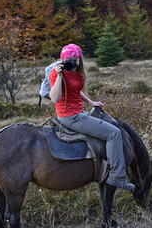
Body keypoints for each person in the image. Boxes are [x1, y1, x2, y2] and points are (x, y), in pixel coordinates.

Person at [48, 43, 136, 190]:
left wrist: (90, 101)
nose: (73, 63)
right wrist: (59, 76)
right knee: (114, 133)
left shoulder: (77, 71)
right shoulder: (56, 73)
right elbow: (55, 98)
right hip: (70, 117)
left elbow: (75, 89)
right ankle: (117, 177)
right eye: (69, 60)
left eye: (75, 60)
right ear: (63, 60)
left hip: (79, 113)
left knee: (110, 129)